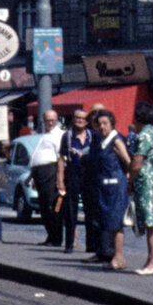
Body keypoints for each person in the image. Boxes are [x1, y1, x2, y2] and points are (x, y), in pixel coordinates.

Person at [89, 109, 131, 271]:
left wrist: (129, 181)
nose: (102, 127)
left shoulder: (116, 141)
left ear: (112, 124)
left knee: (116, 222)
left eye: (105, 123)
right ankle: (116, 256)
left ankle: (119, 257)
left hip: (115, 187)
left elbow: (128, 162)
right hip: (105, 187)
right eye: (99, 124)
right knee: (108, 222)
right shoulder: (102, 141)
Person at [128, 103, 153, 275]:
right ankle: (151, 259)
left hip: (146, 182)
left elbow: (137, 163)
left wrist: (130, 181)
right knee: (151, 222)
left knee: (150, 222)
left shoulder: (143, 136)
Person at [56, 108, 93, 253]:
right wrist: (60, 180)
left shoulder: (92, 136)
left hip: (89, 174)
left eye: (83, 118)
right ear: (73, 119)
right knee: (71, 210)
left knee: (90, 209)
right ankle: (69, 244)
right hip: (73, 172)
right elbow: (61, 159)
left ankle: (91, 245)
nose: (80, 121)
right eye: (78, 118)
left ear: (87, 121)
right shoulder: (67, 136)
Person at [29, 109, 65, 247]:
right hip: (40, 174)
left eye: (52, 120)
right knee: (44, 207)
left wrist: (59, 179)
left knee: (52, 206)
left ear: (57, 120)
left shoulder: (59, 135)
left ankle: (56, 238)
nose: (50, 123)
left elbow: (60, 158)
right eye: (47, 120)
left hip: (51, 172)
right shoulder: (45, 135)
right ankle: (50, 236)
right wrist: (33, 176)